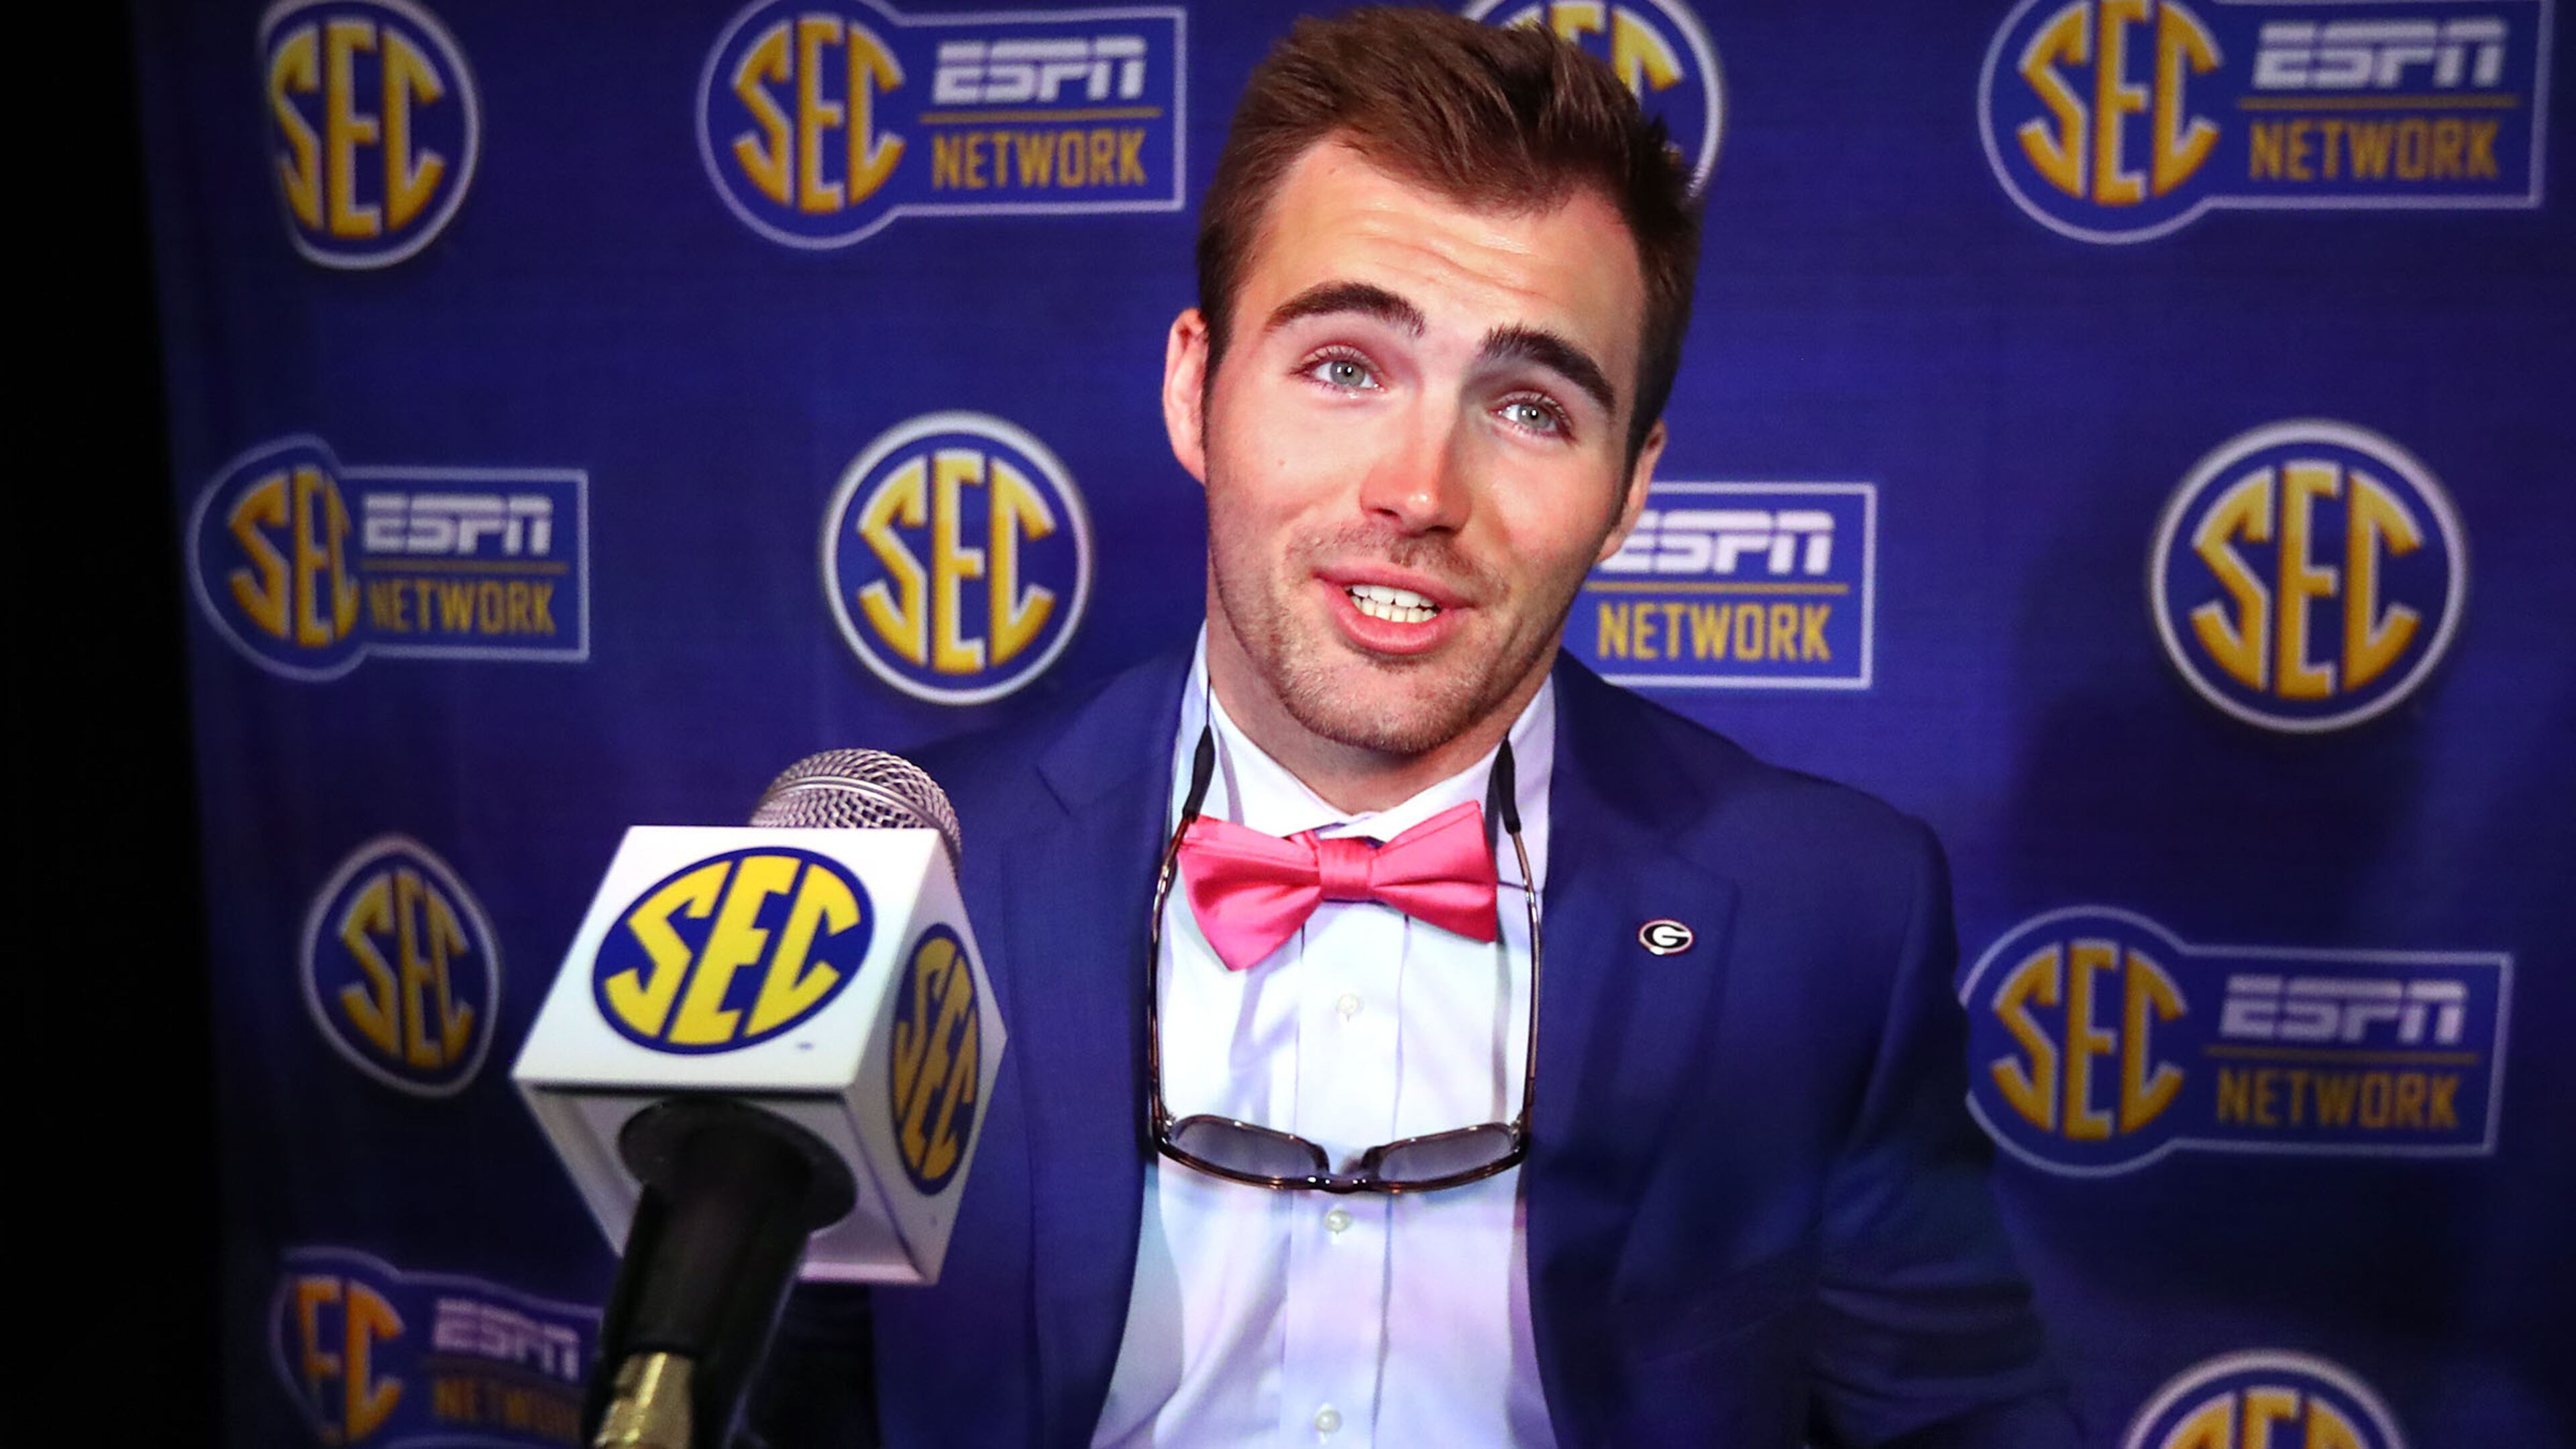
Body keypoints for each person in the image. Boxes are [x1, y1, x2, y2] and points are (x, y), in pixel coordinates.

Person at [755, 9, 2077, 1446]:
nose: (1419, 489)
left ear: (1633, 489)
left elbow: (1961, 1424)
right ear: (1197, 389)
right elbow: (762, 1408)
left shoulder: (1831, 915)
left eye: (1527, 406)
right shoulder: (905, 870)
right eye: (1343, 367)